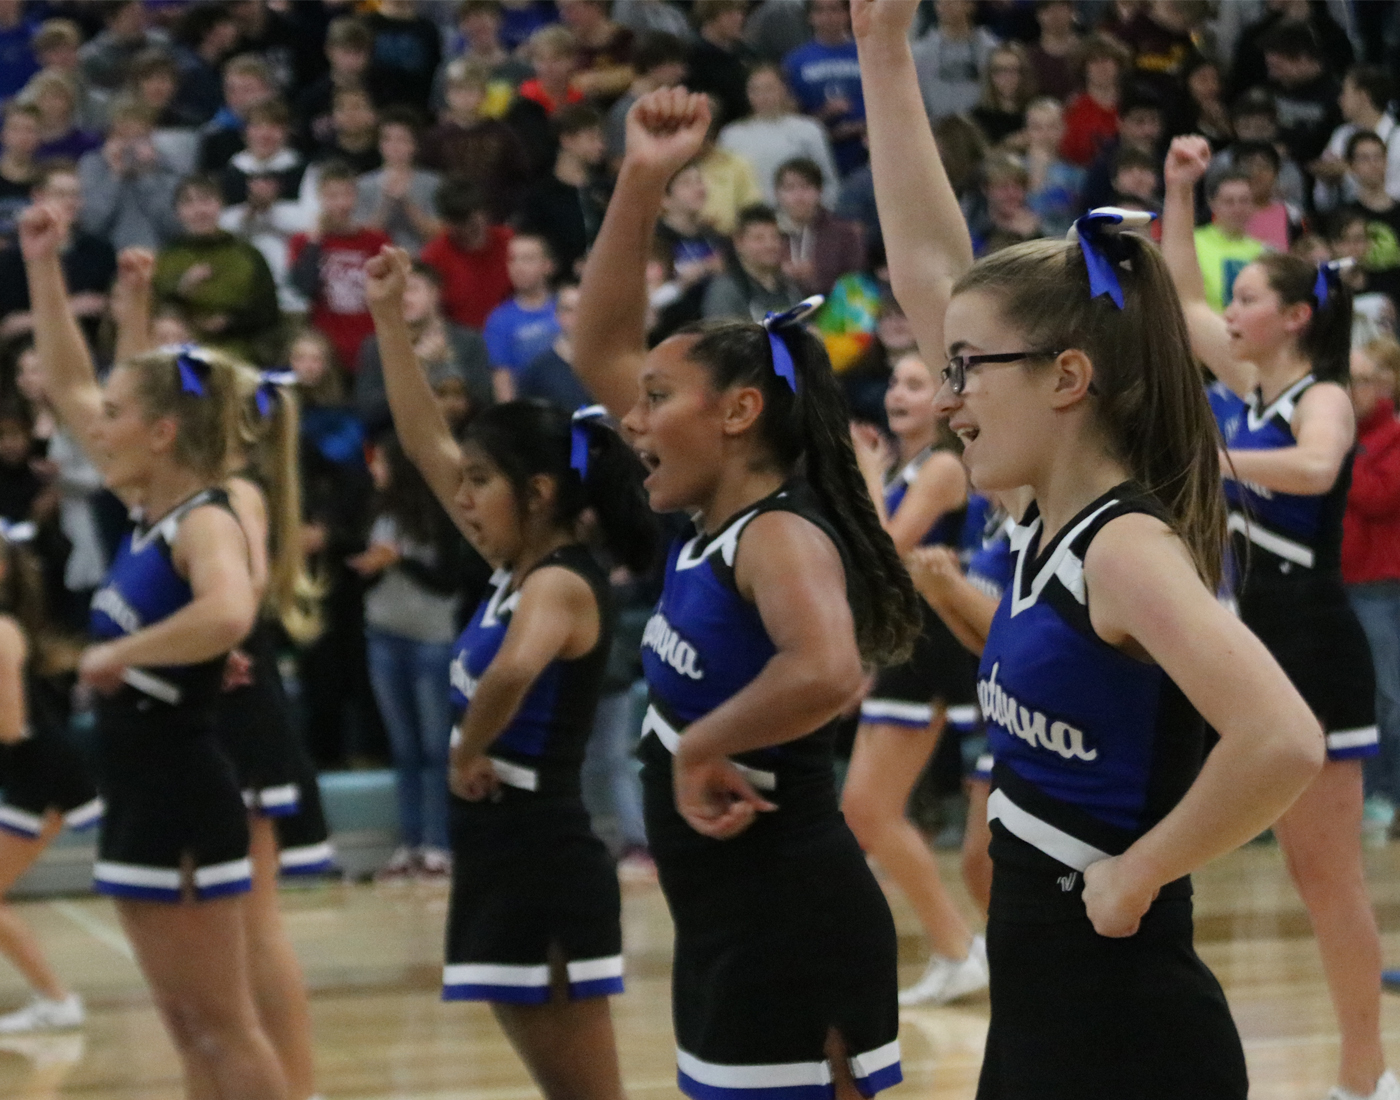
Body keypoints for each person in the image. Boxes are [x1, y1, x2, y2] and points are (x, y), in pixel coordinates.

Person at [858, 2, 1323, 1096]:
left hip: (1126, 1029)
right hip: (1043, 1013)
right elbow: (930, 267)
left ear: (1067, 379)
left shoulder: (1121, 547)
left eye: (971, 369)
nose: (950, 394)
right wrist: (881, 49)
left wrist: (1140, 873)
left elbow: (1281, 737)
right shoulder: (1037, 523)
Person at [574, 85, 922, 1100]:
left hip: (789, 919)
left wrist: (696, 743)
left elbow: (826, 669)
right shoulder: (711, 524)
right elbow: (597, 343)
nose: (630, 419)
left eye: (656, 399)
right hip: (729, 918)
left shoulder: (774, 531)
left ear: (734, 411)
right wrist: (640, 178)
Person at [365, 242, 654, 1099]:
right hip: (500, 855)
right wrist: (390, 319)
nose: (463, 496)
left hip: (542, 855)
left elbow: (513, 672)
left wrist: (463, 750)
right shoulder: (513, 572)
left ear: (536, 492)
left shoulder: (561, 583)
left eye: (482, 481)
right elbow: (425, 443)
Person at [20, 201, 288, 1099]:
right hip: (136, 783)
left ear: (163, 431)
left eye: (116, 415)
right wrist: (44, 267)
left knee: (225, 1025)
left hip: (181, 780)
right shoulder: (150, 513)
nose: (98, 425)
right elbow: (65, 381)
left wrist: (116, 659)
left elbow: (229, 610)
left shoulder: (207, 514)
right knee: (185, 1030)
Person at [1163, 133, 1395, 1100]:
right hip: (1247, 639)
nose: (1233, 309)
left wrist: (1214, 465)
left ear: (1296, 316)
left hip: (1310, 639)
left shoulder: (1323, 396)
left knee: (1324, 874)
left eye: (1251, 296)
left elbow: (1316, 469)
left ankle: (1366, 1069)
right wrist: (1180, 188)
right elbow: (1178, 303)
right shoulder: (1252, 384)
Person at [109, 246, 328, 1100]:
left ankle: (292, 1087)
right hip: (207, 712)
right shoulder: (179, 490)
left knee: (255, 931)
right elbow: (108, 395)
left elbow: (231, 611)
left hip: (235, 714)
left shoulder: (228, 496)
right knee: (228, 950)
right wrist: (129, 301)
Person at [844, 352, 986, 1007]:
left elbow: (884, 549)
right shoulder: (907, 468)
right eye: (894, 382)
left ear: (943, 401)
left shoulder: (943, 467)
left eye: (914, 384)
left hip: (936, 648)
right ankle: (957, 945)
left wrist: (867, 475)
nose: (897, 394)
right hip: (902, 647)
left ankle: (962, 947)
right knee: (862, 810)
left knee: (872, 810)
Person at [0, 527, 99, 1034]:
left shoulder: (2, 631)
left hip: (42, 775)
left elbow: (11, 726)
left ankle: (57, 1000)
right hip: (31, 773)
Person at [1342, 337, 1400, 825]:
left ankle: (1386, 795)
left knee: (1387, 694)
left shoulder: (1393, 438)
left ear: (1384, 386)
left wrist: (1335, 456)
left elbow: (1379, 496)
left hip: (1379, 586)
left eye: (1360, 380)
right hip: (1333, 581)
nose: (1349, 391)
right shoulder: (1339, 435)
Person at [152, 172, 283, 365]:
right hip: (176, 354)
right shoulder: (165, 258)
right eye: (189, 203)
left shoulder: (247, 255)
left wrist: (229, 322)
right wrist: (181, 289)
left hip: (237, 355)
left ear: (220, 205)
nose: (199, 210)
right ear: (178, 212)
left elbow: (268, 313)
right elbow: (152, 307)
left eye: (206, 200)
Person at [289, 162, 392, 376]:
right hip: (326, 349)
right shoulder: (303, 242)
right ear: (320, 198)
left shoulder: (376, 241)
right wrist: (315, 243)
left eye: (347, 195)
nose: (341, 204)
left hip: (370, 345)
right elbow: (303, 288)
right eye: (332, 197)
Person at [718, 64, 840, 210]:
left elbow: (827, 180)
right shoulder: (731, 135)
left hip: (800, 217)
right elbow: (724, 184)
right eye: (755, 90)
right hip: (752, 219)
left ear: (784, 89)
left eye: (769, 88)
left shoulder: (809, 129)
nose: (763, 96)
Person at [774, 158, 864, 298]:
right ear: (777, 193)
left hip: (833, 311)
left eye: (806, 187)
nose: (798, 196)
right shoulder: (768, 233)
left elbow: (856, 280)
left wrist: (817, 275)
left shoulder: (843, 233)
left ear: (819, 191)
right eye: (789, 188)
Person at [702, 204, 804, 321]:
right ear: (739, 242)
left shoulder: (790, 288)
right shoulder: (725, 290)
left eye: (775, 237)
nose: (770, 245)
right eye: (759, 238)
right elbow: (721, 336)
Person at [1194, 169, 1268, 312]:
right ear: (1212, 204)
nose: (1237, 208)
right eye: (1229, 202)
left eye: (1244, 201)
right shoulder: (1192, 244)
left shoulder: (1265, 252)